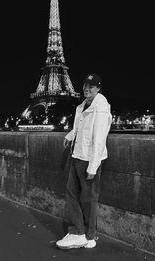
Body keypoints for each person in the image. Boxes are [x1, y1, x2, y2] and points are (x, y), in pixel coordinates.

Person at [56, 73, 112, 249]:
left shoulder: (100, 107)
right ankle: (83, 234)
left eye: (92, 86)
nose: (87, 88)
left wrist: (93, 166)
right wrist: (71, 134)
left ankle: (84, 233)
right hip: (78, 155)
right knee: (75, 194)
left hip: (88, 159)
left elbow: (99, 138)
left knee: (86, 198)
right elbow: (80, 127)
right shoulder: (83, 105)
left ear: (98, 88)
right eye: (85, 85)